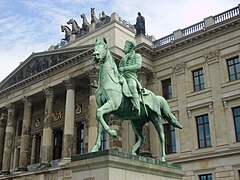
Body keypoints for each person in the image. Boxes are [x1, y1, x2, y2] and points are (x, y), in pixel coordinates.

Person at [119, 40, 143, 116]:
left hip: (131, 76)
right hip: (122, 76)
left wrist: (125, 68)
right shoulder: (123, 58)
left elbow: (138, 66)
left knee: (132, 86)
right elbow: (120, 67)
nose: (124, 47)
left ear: (131, 47)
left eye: (126, 46)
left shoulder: (137, 56)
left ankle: (137, 107)